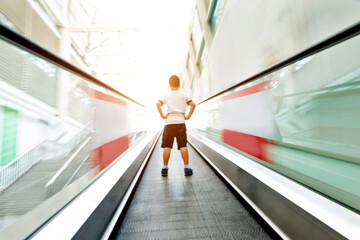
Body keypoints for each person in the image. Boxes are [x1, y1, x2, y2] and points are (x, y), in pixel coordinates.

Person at [156, 75, 196, 176]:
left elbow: (158, 104)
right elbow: (193, 104)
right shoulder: (183, 95)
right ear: (179, 84)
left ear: (169, 84)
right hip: (180, 123)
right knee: (183, 145)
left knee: (167, 146)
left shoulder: (166, 95)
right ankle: (186, 168)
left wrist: (163, 116)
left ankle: (164, 168)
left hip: (169, 123)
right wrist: (188, 116)